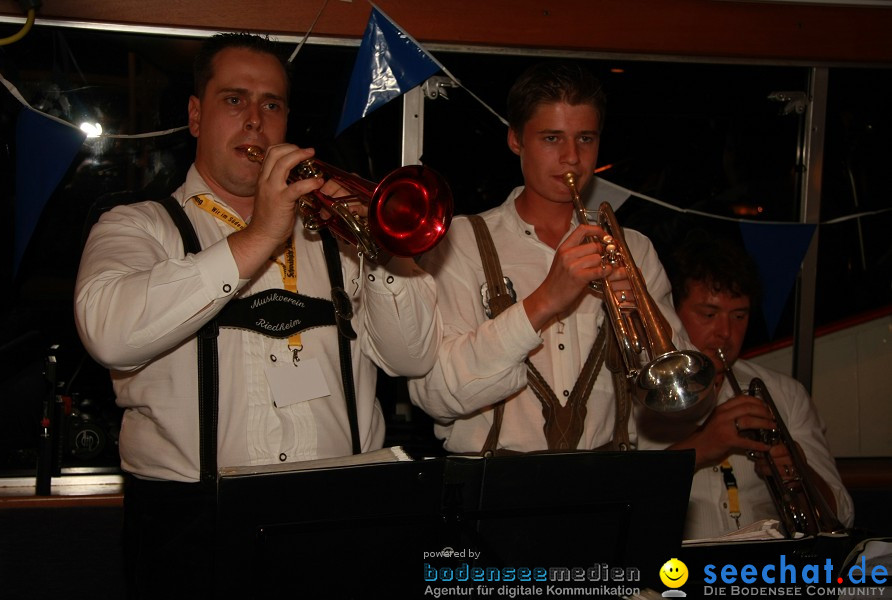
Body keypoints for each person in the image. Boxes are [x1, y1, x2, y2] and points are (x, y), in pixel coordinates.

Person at [73, 32, 441, 597]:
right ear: (196, 115)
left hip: (339, 520)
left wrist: (383, 247)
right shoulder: (137, 224)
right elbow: (108, 334)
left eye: (271, 104)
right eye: (233, 99)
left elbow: (411, 357)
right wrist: (261, 234)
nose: (255, 120)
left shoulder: (335, 237)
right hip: (190, 529)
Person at [407, 61, 695, 454]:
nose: (572, 158)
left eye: (586, 139)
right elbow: (435, 396)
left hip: (608, 486)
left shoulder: (635, 248)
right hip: (495, 490)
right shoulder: (459, 242)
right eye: (552, 139)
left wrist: (641, 323)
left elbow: (682, 403)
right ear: (515, 140)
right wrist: (544, 301)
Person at [644, 233, 854, 540]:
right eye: (709, 314)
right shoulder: (639, 394)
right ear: (671, 313)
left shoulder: (785, 393)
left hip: (766, 573)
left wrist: (798, 476)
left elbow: (841, 515)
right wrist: (702, 446)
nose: (726, 333)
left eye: (739, 316)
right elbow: (614, 495)